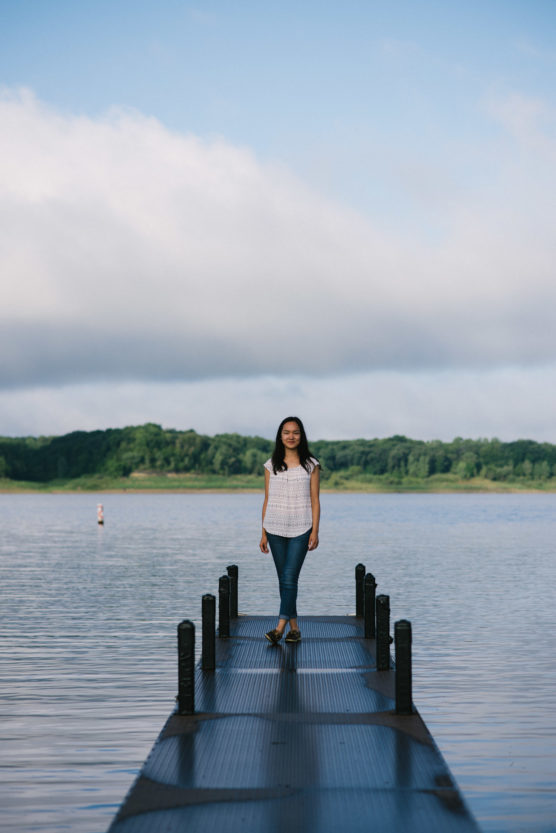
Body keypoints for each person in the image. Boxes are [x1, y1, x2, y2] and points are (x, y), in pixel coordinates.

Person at [260, 416, 320, 644]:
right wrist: (263, 531)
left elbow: (315, 500)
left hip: (302, 527)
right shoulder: (270, 465)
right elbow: (267, 499)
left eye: (295, 432)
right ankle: (294, 629)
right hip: (274, 527)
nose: (291, 436)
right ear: (280, 436)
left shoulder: (311, 465)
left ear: (301, 435)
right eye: (286, 432)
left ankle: (279, 629)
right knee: (285, 580)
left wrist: (315, 531)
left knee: (289, 577)